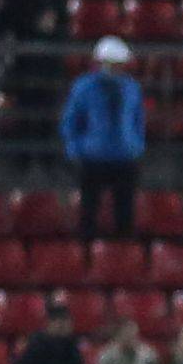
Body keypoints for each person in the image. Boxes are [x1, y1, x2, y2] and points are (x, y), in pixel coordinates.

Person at [62, 36, 150, 242]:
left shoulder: (131, 88)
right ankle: (87, 253)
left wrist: (136, 145)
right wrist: (75, 149)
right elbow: (71, 121)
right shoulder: (83, 87)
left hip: (125, 157)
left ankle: (124, 255)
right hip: (93, 157)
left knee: (125, 212)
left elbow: (138, 119)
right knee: (89, 210)